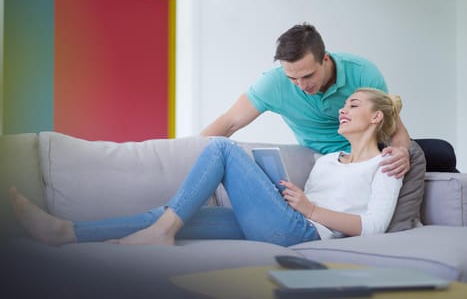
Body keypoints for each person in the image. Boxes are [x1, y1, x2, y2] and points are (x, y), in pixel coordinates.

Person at [10, 88, 403, 247]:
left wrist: (310, 210)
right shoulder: (327, 158)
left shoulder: (387, 164)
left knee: (221, 147)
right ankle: (64, 231)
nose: (343, 109)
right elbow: (306, 199)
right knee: (173, 216)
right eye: (344, 104)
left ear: (375, 118)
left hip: (305, 232)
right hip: (285, 218)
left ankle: (162, 232)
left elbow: (373, 226)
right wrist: (285, 193)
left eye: (353, 105)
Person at [201, 23, 412, 179]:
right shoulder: (274, 83)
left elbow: (394, 128)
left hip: (370, 153)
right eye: (292, 78)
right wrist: (187, 151)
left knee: (434, 151)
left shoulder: (362, 73)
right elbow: (229, 122)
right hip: (328, 160)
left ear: (325, 59)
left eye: (308, 76)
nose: (301, 85)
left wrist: (402, 153)